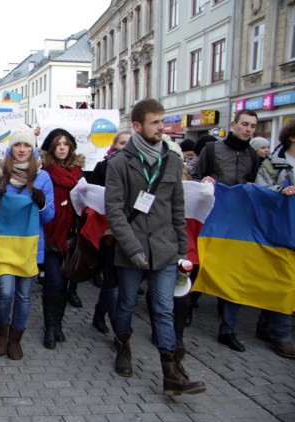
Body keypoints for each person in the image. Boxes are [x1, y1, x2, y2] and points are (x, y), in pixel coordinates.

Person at [105, 98, 206, 396]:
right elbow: (114, 211)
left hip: (164, 249)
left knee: (163, 308)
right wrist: (133, 247)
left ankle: (170, 371)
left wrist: (182, 250)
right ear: (137, 126)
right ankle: (123, 346)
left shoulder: (172, 160)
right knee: (125, 303)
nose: (162, 127)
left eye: (163, 121)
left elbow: (178, 208)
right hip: (131, 249)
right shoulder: (119, 163)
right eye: (155, 122)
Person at [193, 109, 260, 352]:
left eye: (253, 126)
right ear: (233, 124)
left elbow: (254, 184)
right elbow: (194, 175)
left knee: (235, 274)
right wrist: (204, 181)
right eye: (244, 124)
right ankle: (186, 308)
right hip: (211, 220)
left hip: (238, 225)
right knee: (201, 265)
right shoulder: (211, 150)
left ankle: (227, 330)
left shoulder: (253, 155)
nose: (248, 129)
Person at [0, 126, 55, 360]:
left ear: (33, 148)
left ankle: (15, 339)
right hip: (4, 245)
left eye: (27, 145)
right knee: (4, 293)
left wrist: (41, 204)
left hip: (30, 247)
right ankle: (1, 333)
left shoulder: (43, 176)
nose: (22, 149)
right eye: (18, 145)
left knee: (24, 295)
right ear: (11, 147)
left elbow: (49, 217)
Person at [253, 120, 295, 358]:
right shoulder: (274, 164)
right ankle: (280, 334)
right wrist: (281, 191)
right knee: (286, 282)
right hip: (279, 230)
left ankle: (265, 326)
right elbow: (260, 191)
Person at [41, 128, 85, 349]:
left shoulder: (79, 174)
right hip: (51, 235)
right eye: (57, 144)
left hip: (71, 237)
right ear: (51, 147)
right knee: (54, 283)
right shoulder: (44, 172)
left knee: (65, 285)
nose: (61, 147)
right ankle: (49, 327)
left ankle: (58, 324)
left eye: (65, 144)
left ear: (71, 148)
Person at [88, 130, 131, 334]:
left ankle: (100, 312)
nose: (126, 146)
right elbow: (93, 196)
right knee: (112, 279)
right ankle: (119, 331)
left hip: (134, 232)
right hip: (109, 233)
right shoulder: (103, 167)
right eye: (122, 143)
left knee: (123, 282)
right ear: (115, 145)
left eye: (130, 143)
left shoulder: (143, 168)